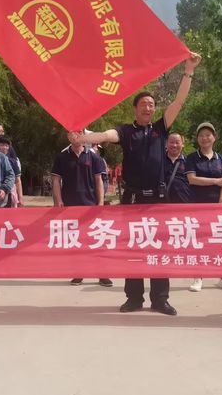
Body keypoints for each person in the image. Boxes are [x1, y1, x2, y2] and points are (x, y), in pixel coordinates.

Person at [71, 53, 201, 315]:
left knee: (159, 249)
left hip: (158, 200)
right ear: (135, 108)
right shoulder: (126, 131)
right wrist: (82, 138)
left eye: (152, 104)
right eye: (144, 104)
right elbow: (105, 136)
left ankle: (160, 299)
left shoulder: (161, 129)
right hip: (132, 200)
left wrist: (188, 70)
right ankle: (134, 298)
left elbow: (178, 101)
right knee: (133, 249)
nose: (148, 108)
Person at [52, 130, 112, 288]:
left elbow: (99, 180)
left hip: (90, 204)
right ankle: (78, 272)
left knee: (96, 239)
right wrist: (58, 200)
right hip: (70, 205)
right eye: (72, 133)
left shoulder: (93, 156)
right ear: (68, 136)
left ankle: (102, 274)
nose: (75, 136)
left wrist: (100, 202)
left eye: (79, 133)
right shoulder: (62, 157)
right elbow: (56, 180)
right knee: (76, 240)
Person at [185, 122, 222, 292]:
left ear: (214, 137)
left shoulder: (221, 159)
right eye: (201, 135)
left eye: (208, 135)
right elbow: (192, 179)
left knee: (221, 242)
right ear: (197, 139)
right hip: (198, 207)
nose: (205, 138)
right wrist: (216, 181)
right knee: (199, 242)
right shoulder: (191, 158)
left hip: (218, 208)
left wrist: (221, 204)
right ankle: (198, 277)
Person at [0, 122, 24, 207]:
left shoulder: (10, 155)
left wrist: (20, 198)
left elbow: (16, 177)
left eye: (2, 131)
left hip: (7, 192)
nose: (2, 133)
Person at [0, 135, 23, 207]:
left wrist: (20, 198)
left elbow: (17, 181)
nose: (4, 148)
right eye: (2, 145)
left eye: (7, 146)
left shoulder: (13, 162)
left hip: (8, 194)